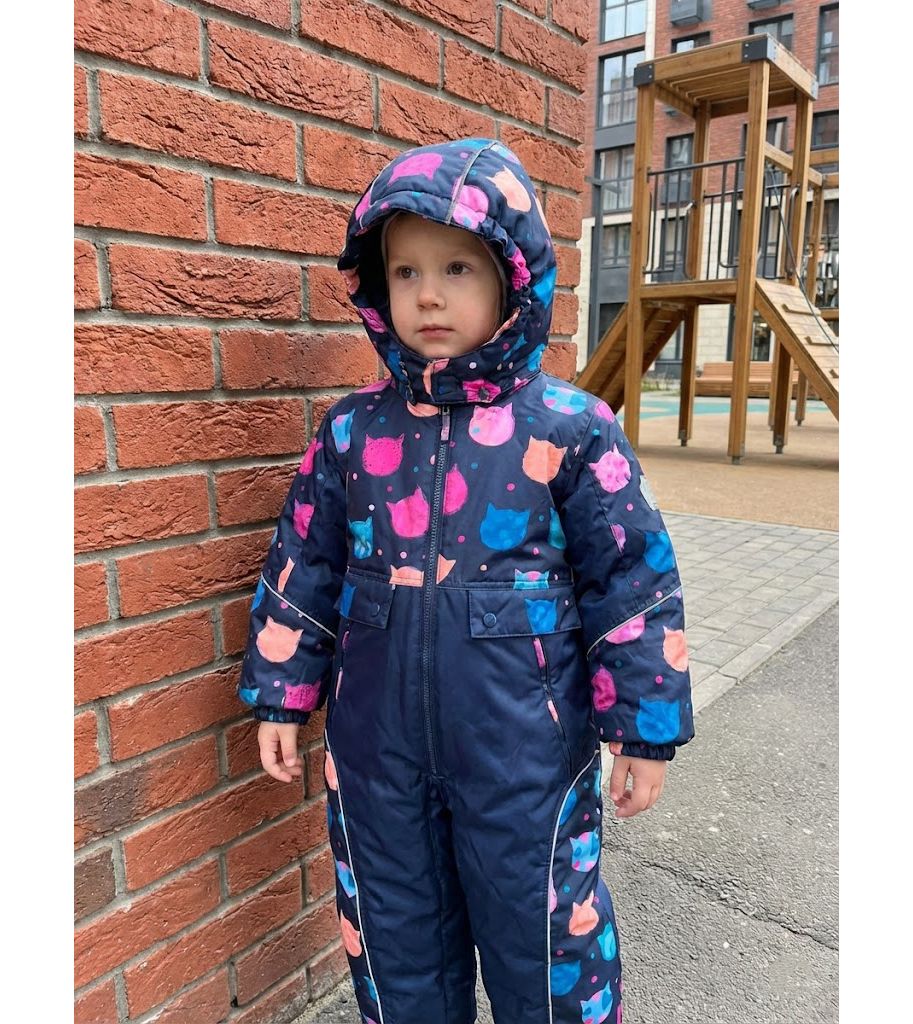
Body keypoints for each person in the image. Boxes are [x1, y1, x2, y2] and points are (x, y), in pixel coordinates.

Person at [237, 138, 694, 1024]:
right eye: (405, 272)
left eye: (455, 268)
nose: (428, 295)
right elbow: (304, 564)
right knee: (396, 939)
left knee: (544, 943)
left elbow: (631, 582)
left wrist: (642, 730)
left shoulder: (569, 429)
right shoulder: (350, 434)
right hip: (375, 757)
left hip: (525, 758)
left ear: (512, 280)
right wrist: (281, 695)